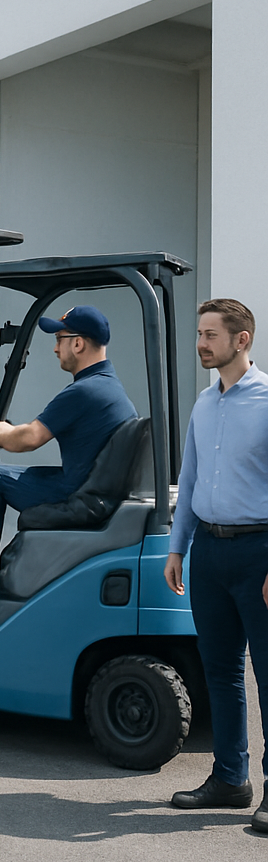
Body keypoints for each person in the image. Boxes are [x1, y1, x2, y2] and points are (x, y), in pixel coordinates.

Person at [0, 304, 136, 595]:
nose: (56, 348)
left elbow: (29, 438)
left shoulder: (83, 392)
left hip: (77, 491)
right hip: (91, 487)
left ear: (78, 343)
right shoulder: (107, 386)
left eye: (59, 339)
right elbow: (25, 432)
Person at [164, 298, 268, 833]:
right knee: (222, 670)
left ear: (240, 339)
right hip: (208, 549)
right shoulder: (205, 404)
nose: (201, 342)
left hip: (260, 552)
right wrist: (178, 547)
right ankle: (230, 779)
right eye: (200, 332)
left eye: (210, 334)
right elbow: (192, 474)